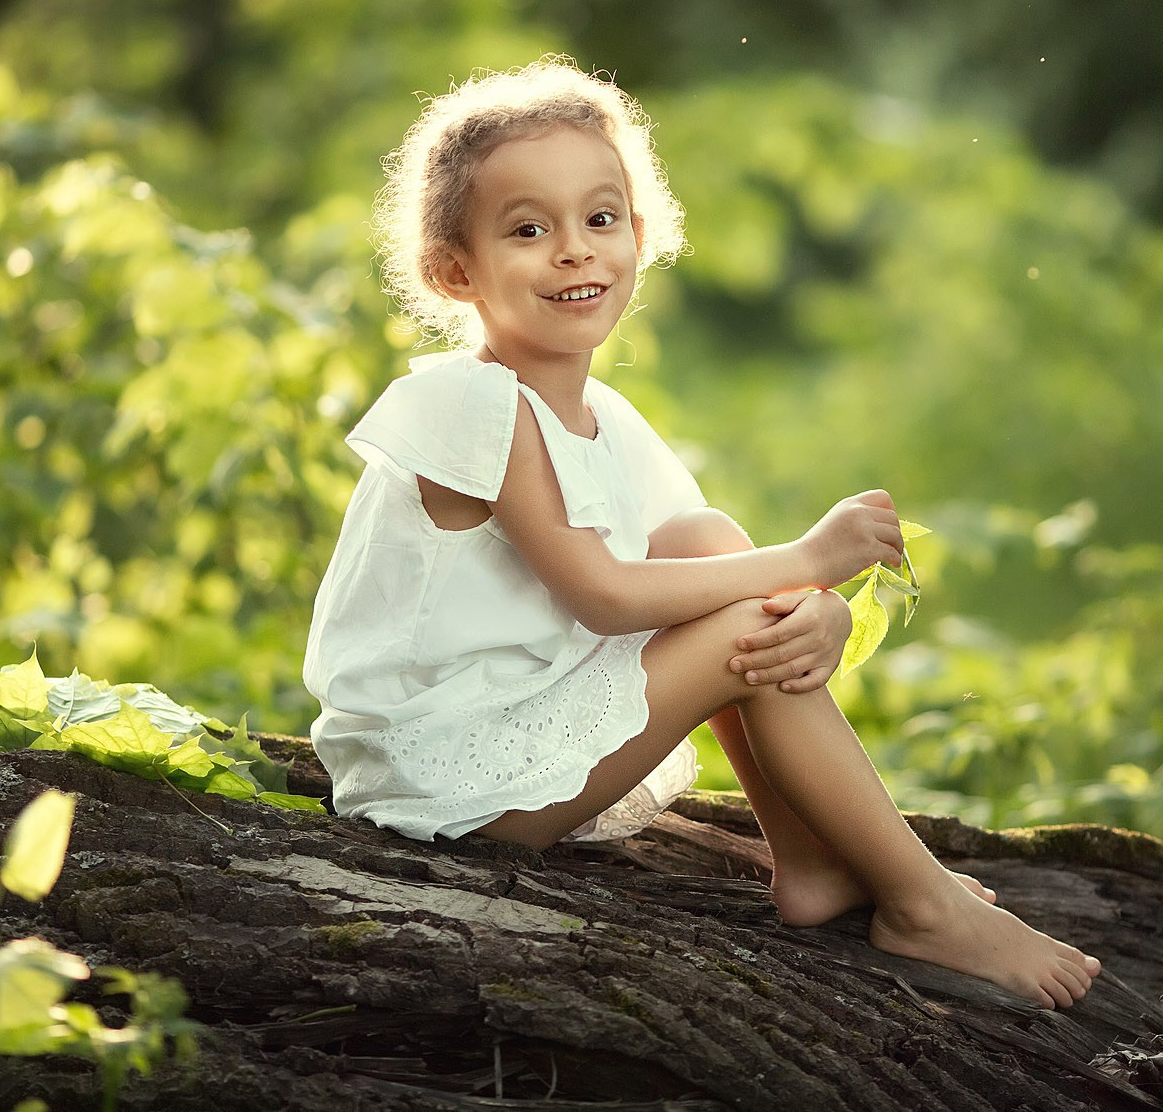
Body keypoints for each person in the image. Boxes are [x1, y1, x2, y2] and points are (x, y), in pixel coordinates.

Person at [302, 55, 1101, 1009]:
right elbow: (601, 596)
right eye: (528, 229)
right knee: (736, 615)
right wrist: (810, 561)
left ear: (640, 233)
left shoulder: (604, 417)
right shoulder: (467, 400)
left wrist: (820, 613)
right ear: (454, 270)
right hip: (446, 774)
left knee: (708, 538)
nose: (575, 250)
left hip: (514, 723)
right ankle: (922, 903)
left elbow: (713, 570)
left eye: (601, 218)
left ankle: (809, 862)